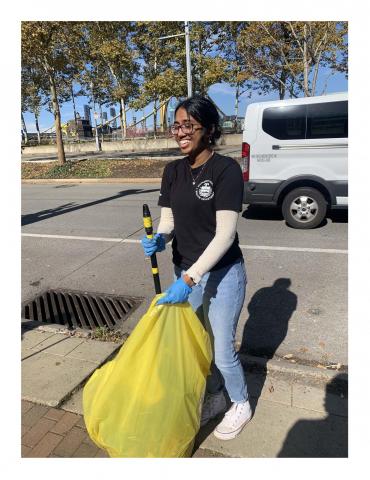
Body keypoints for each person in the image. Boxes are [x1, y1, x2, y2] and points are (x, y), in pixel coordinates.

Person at [141, 95, 252, 440]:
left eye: (188, 124)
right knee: (198, 344)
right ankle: (217, 396)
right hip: (184, 272)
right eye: (176, 125)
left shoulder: (225, 170)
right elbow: (168, 220)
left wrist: (190, 278)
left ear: (208, 129)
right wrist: (160, 238)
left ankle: (241, 404)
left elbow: (224, 236)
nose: (180, 132)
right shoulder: (172, 170)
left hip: (221, 274)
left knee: (221, 348)